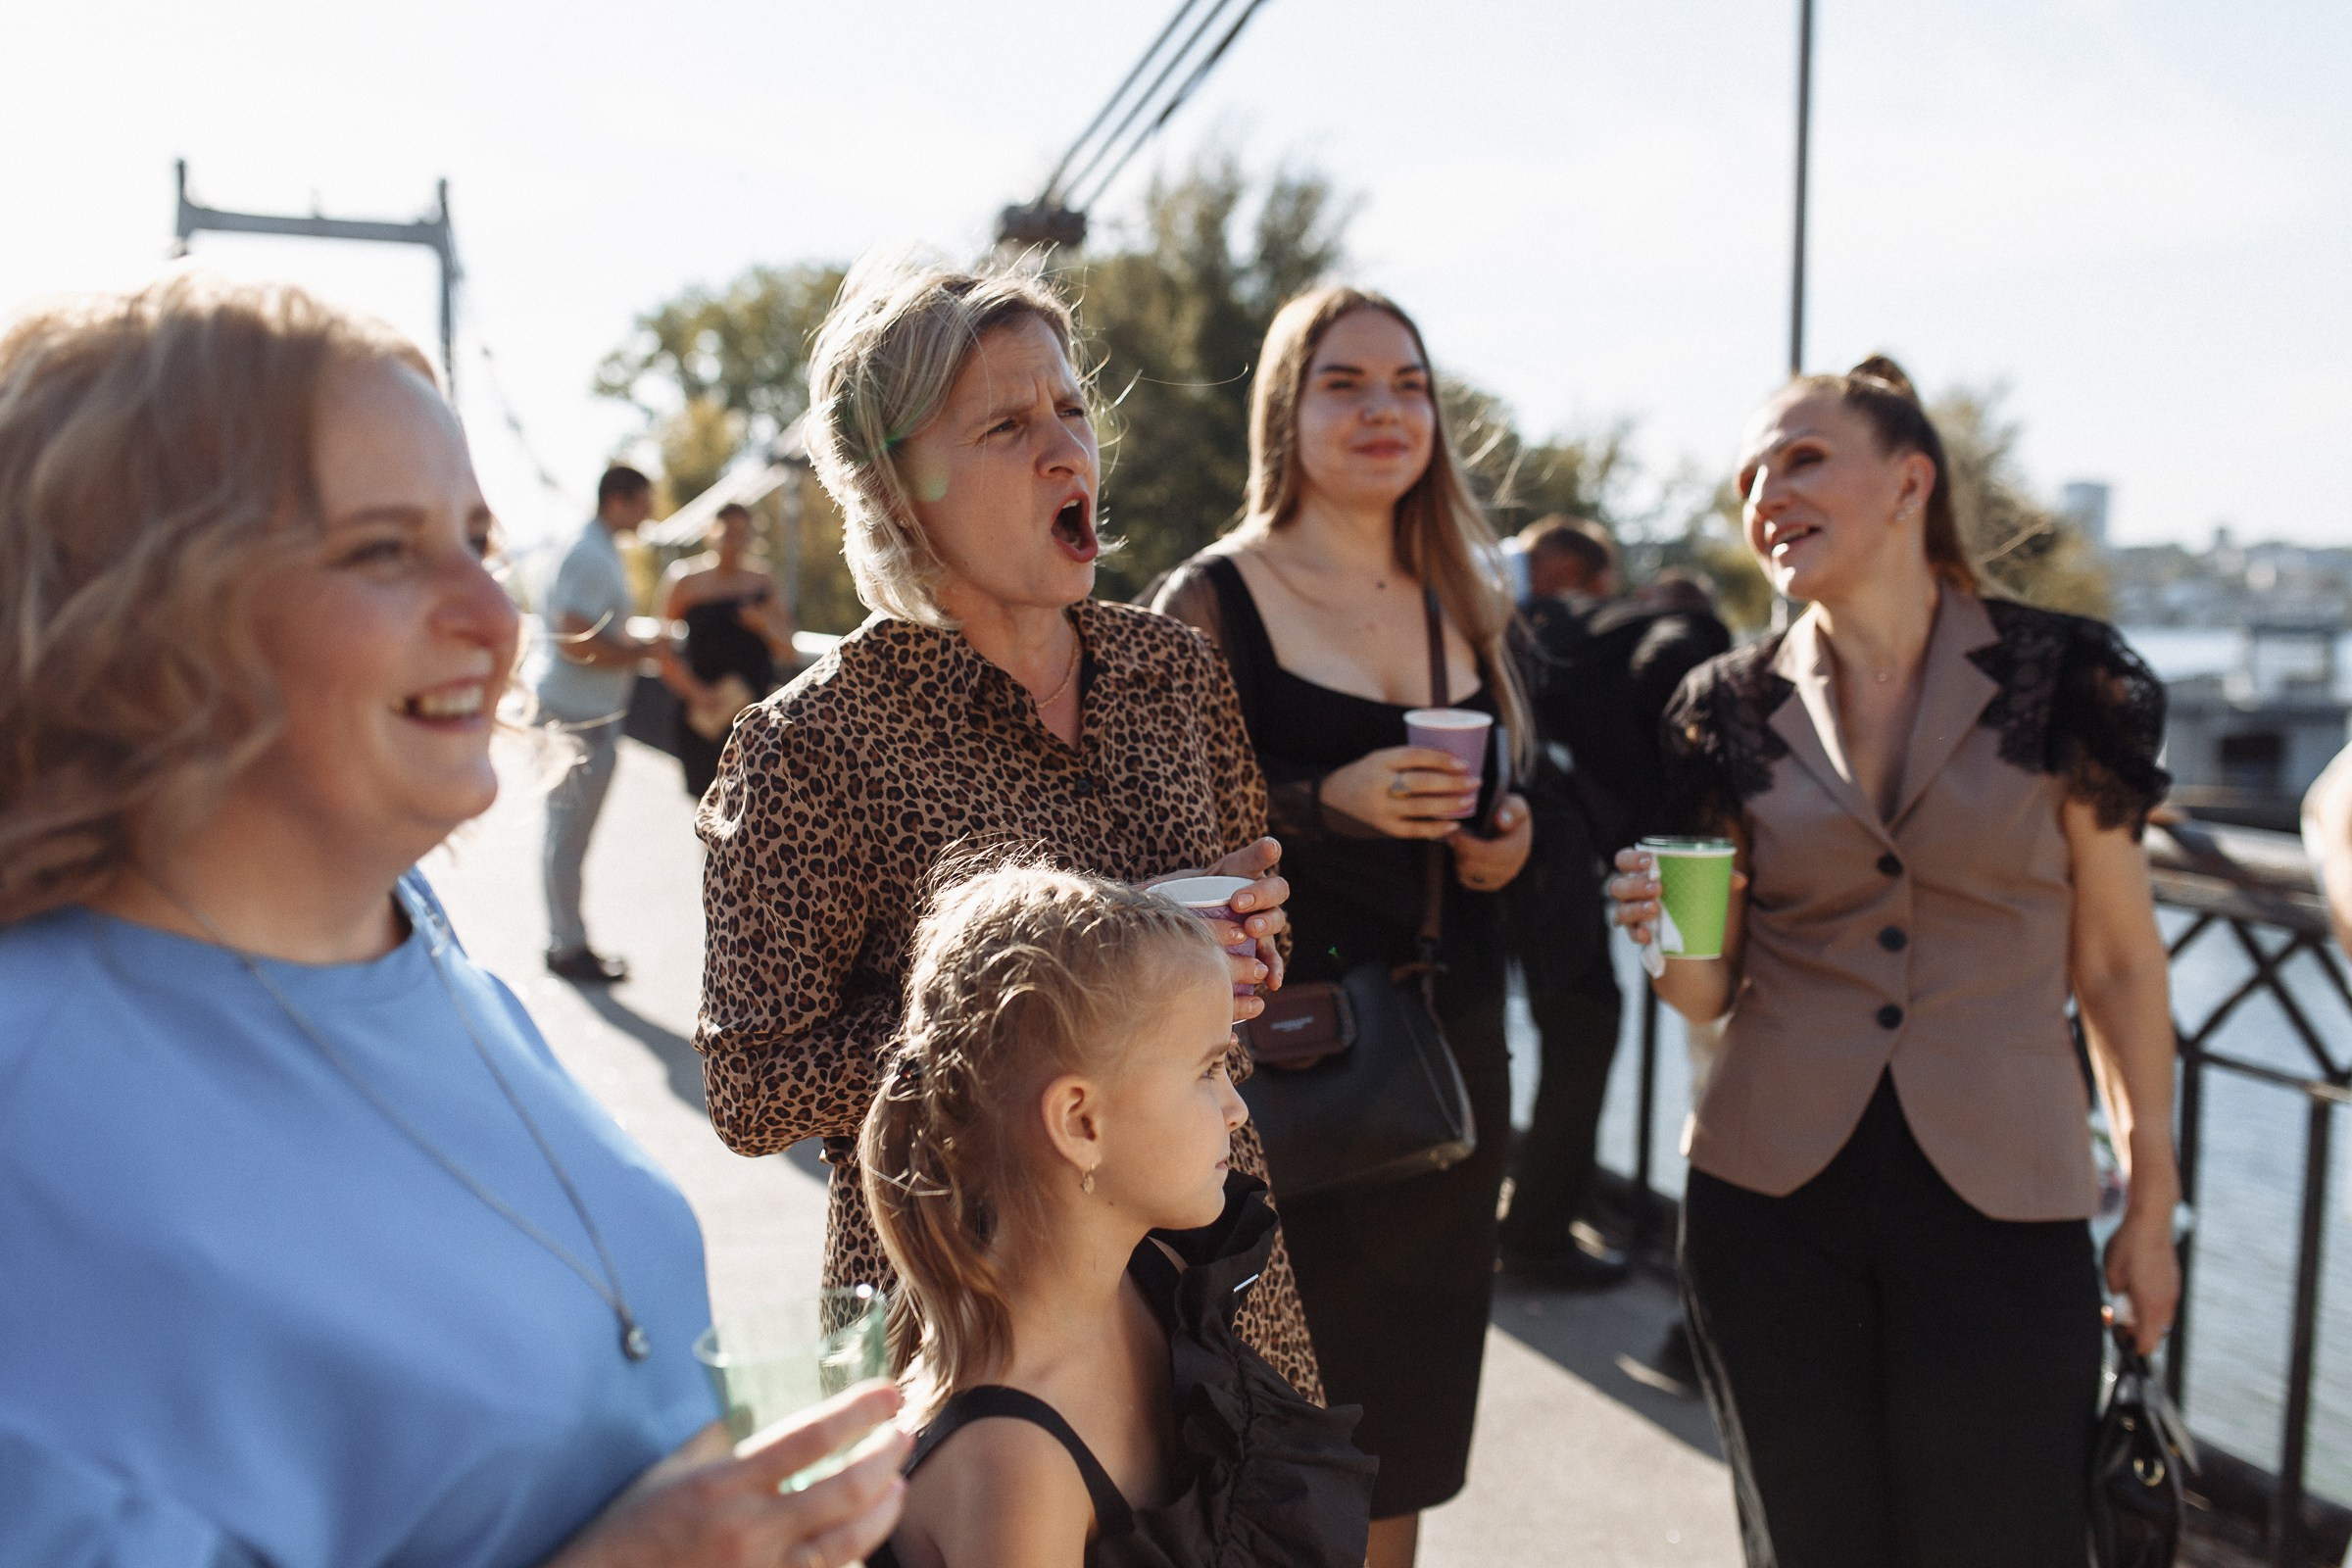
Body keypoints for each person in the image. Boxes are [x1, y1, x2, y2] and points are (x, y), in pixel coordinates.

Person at [0, 275, 905, 1568]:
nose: (494, 617)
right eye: (382, 549)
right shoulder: (32, 1133)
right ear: (140, 611)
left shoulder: (403, 933)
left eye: (478, 542)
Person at [693, 255, 1324, 1403]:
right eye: (1005, 426)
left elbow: (1236, 974)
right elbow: (753, 1088)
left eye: (1072, 409)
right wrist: (1032, 1016)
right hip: (973, 1318)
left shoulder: (1175, 673)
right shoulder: (814, 745)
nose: (1064, 448)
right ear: (896, 487)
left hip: (1212, 1279)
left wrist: (1245, 943)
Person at [1606, 356, 2182, 1567]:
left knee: (2004, 1540)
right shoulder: (1723, 705)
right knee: (1810, 1544)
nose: (1766, 491)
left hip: (2008, 1195)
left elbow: (2122, 963)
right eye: (1749, 475)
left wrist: (2151, 1195)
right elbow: (1705, 992)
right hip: (1770, 1197)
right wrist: (1664, 931)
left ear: (1911, 479)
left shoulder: (2066, 677)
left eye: (1803, 457)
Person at [1152, 285, 1534, 1567]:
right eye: (1347, 383)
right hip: (1270, 1072)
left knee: (1398, 1448)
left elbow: (1526, 815)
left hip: (1442, 1062)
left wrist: (1507, 848)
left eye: (1409, 385)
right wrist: (1323, 806)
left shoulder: (1463, 599)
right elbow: (1143, 845)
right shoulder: (1215, 597)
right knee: (1262, 1446)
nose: (1384, 410)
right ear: (1286, 408)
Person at [859, 865, 1375, 1568]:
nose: (1236, 1108)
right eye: (1207, 1069)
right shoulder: (1014, 1468)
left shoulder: (1155, 1277)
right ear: (1080, 1121)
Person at [1499, 520, 1731, 1290]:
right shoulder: (1695, 635)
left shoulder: (1551, 616)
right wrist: (1674, 821)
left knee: (1524, 1017)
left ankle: (1514, 1214)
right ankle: (1535, 1236)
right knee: (1586, 1023)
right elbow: (1667, 664)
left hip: (1498, 815)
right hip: (1552, 834)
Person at [531, 463, 657, 983]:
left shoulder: (592, 547)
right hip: (579, 719)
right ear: (619, 501)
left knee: (565, 834)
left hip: (575, 713)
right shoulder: (590, 553)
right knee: (568, 836)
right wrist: (643, 653)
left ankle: (566, 940)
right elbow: (576, 639)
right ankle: (568, 948)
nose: (651, 512)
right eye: (644, 501)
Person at [657, 501, 797, 800]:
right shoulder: (684, 580)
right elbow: (662, 650)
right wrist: (697, 694)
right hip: (702, 712)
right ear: (711, 532)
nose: (736, 541)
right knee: (708, 807)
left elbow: (789, 650)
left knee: (757, 806)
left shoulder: (763, 581)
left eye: (743, 534)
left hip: (753, 715)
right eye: (729, 532)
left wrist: (762, 625)